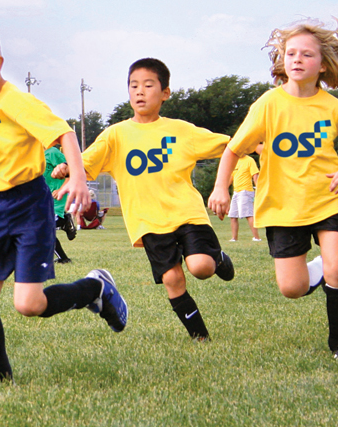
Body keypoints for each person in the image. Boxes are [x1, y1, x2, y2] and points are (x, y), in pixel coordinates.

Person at [0, 21, 127, 386]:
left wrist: (78, 177)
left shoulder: (16, 101)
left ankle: (95, 289)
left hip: (28, 207)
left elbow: (63, 133)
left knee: (29, 305)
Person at [54, 58, 234, 342]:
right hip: (148, 220)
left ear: (165, 93)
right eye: (133, 85)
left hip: (187, 212)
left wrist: (261, 142)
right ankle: (201, 338)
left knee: (201, 267)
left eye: (148, 85)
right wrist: (67, 167)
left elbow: (230, 145)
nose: (139, 91)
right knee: (172, 279)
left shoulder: (180, 130)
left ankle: (218, 258)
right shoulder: (115, 135)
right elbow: (86, 162)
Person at [208, 19, 338, 359]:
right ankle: (324, 266)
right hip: (282, 207)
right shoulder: (268, 104)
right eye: (290, 53)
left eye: (306, 54)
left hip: (328, 199)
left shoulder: (332, 106)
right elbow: (234, 149)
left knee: (337, 267)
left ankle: (337, 342)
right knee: (291, 288)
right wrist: (221, 187)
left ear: (322, 64)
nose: (296, 59)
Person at [44, 146, 75, 263]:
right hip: (43, 202)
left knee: (43, 229)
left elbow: (70, 170)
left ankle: (63, 220)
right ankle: (64, 222)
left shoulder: (52, 152)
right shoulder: (34, 157)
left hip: (56, 200)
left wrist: (62, 188)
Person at [226, 155, 261, 242]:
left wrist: (259, 190)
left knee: (248, 215)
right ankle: (234, 238)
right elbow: (232, 177)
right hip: (236, 192)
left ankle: (257, 238)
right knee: (233, 216)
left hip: (246, 191)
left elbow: (255, 176)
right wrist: (223, 188)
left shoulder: (249, 160)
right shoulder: (234, 160)